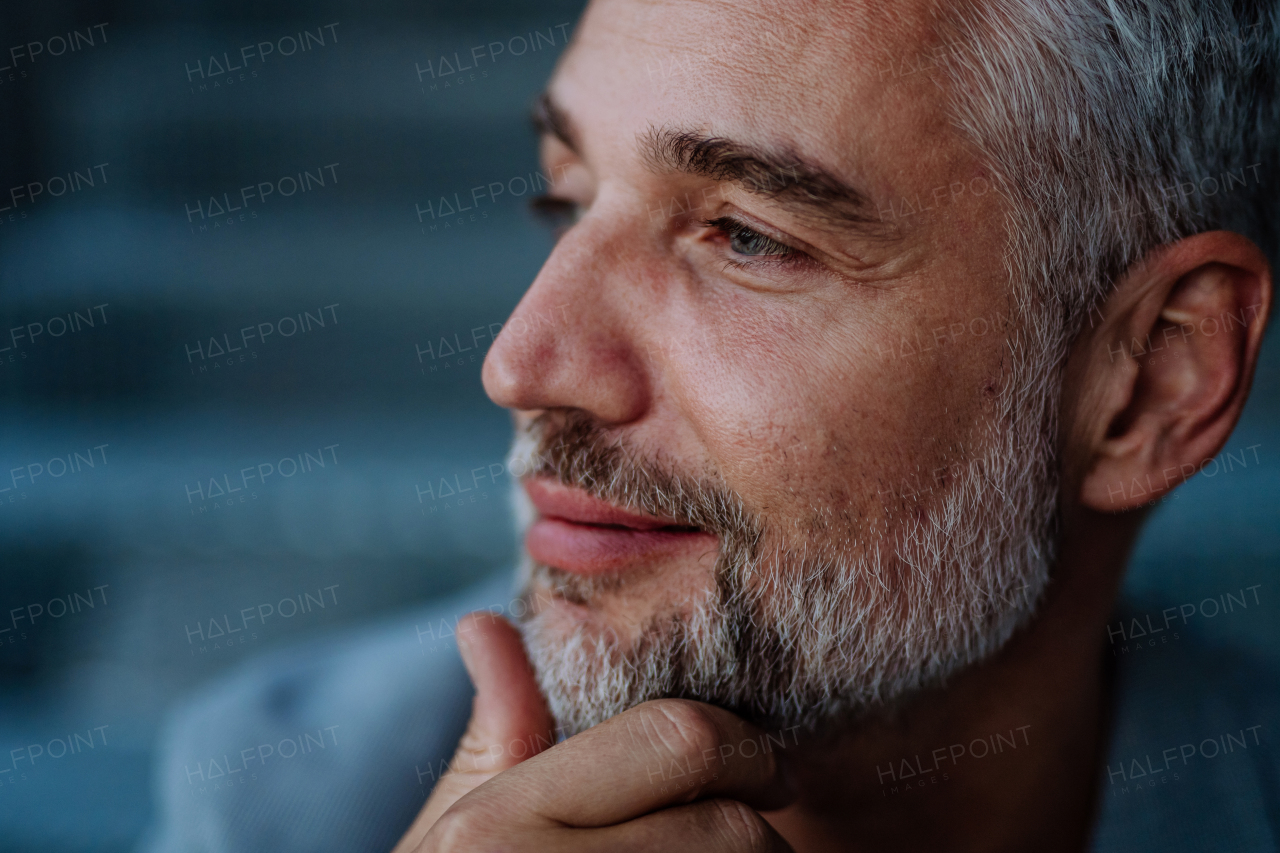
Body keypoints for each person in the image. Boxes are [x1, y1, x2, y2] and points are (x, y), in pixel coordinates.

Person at [142, 0, 1279, 850]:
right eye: (565, 198)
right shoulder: (270, 797)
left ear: (1149, 384)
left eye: (747, 236)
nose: (519, 363)